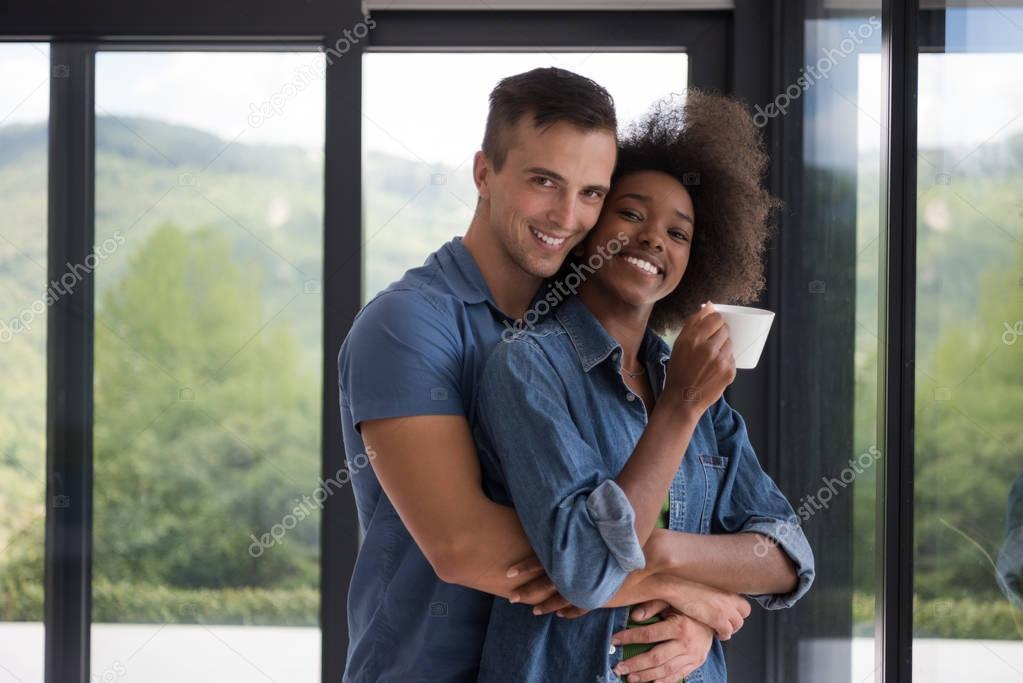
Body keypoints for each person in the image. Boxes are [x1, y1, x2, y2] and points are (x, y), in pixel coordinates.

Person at [339, 68, 803, 682]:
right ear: (484, 173)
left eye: (591, 193)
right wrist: (686, 590)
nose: (567, 215)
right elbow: (465, 549)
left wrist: (679, 593)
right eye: (543, 182)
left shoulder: (594, 347)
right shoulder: (407, 325)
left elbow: (773, 548)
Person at [472, 91, 815, 682]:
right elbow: (586, 569)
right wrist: (677, 409)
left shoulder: (699, 394)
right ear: (588, 226)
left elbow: (787, 557)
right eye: (631, 214)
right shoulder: (526, 368)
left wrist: (665, 559)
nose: (655, 238)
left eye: (679, 234)